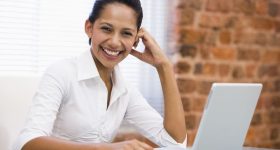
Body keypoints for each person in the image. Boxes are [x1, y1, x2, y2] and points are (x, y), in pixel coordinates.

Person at [13, 0, 187, 149]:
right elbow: (27, 143)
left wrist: (164, 67)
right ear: (89, 28)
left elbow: (175, 143)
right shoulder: (61, 72)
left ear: (135, 40)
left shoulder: (125, 91)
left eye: (126, 33)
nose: (114, 42)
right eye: (106, 29)